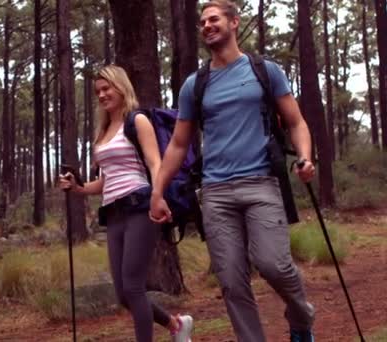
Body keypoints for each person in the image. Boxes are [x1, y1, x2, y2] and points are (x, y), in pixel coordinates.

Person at [149, 1, 316, 341]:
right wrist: (157, 191)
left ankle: (301, 317)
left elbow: (297, 121)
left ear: (234, 22)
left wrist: (305, 157)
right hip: (215, 192)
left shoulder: (264, 70)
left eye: (214, 19)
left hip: (261, 184)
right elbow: (179, 145)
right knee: (231, 280)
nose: (207, 25)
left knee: (274, 265)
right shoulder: (195, 85)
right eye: (202, 22)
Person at [59, 64, 194, 342]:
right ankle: (176, 325)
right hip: (114, 213)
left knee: (133, 287)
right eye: (98, 91)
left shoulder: (138, 120)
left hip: (140, 206)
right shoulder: (104, 131)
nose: (102, 95)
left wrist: (158, 198)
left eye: (107, 88)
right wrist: (77, 188)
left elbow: (155, 162)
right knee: (123, 294)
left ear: (121, 87)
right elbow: (106, 182)